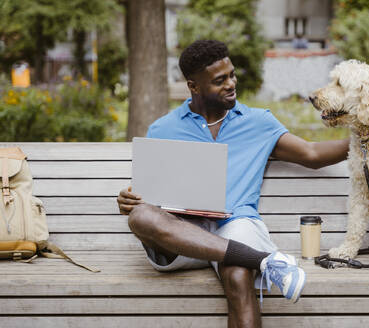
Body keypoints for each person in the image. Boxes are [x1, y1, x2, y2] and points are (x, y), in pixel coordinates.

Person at [117, 40, 348, 328]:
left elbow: (312, 154)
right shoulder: (163, 129)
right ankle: (264, 260)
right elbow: (150, 194)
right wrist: (130, 198)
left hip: (237, 223)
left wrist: (368, 138)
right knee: (140, 216)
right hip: (183, 233)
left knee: (239, 276)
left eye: (232, 75)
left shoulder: (258, 122)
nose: (231, 83)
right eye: (220, 80)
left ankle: (249, 258)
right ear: (194, 86)